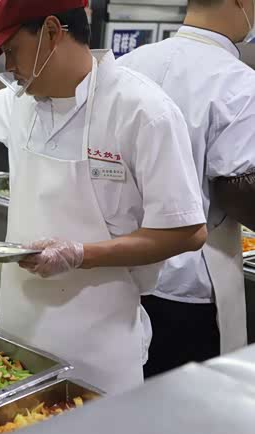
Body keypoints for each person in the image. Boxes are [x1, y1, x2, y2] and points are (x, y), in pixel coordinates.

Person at [0, 0, 208, 394]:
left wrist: (80, 254)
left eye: (11, 50)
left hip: (98, 347)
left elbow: (188, 232)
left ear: (52, 32)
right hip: (16, 336)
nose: (8, 66)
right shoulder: (23, 101)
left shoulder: (144, 112)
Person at [117, 0, 255, 377]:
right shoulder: (238, 82)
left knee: (126, 394)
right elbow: (239, 190)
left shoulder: (128, 64)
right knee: (187, 403)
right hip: (190, 282)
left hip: (122, 271)